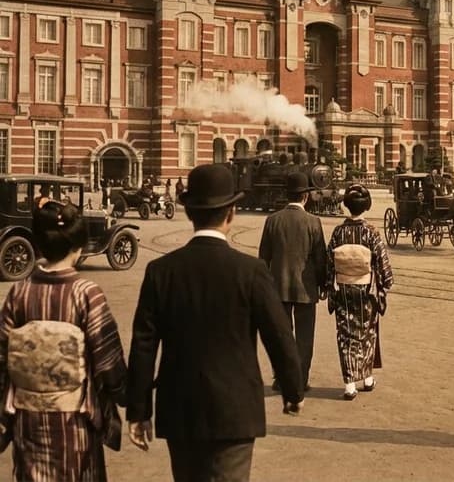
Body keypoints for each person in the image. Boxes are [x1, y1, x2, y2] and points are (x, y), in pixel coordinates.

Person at [127, 164, 304, 481]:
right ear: (231, 213)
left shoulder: (161, 271)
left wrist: (138, 411)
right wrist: (293, 391)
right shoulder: (251, 271)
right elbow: (279, 335)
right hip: (235, 410)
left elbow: (143, 346)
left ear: (188, 213)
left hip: (180, 409)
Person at [0, 201, 127, 482]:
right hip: (75, 420)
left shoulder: (18, 293)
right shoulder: (86, 294)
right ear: (78, 247)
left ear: (39, 244)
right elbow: (108, 361)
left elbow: (2, 355)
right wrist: (123, 394)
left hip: (28, 420)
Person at [258, 172, 329, 392]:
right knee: (305, 338)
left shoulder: (272, 220)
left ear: (286, 194)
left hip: (277, 288)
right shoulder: (313, 222)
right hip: (306, 289)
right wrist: (323, 285)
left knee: (281, 336)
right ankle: (300, 379)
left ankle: (281, 378)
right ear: (305, 196)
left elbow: (263, 258)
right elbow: (320, 259)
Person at [324, 184, 394, 401]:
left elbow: (329, 263)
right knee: (367, 333)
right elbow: (382, 263)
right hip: (366, 290)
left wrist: (329, 285)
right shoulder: (371, 232)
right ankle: (367, 378)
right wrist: (386, 283)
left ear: (347, 205)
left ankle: (349, 385)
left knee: (345, 335)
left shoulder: (338, 232)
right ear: (367, 206)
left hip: (343, 289)